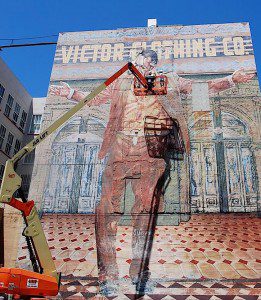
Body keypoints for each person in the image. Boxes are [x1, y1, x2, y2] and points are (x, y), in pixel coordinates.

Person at [49, 51, 254, 295]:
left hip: (151, 150)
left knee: (145, 213)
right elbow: (94, 99)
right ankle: (108, 276)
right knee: (105, 211)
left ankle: (138, 274)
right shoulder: (121, 82)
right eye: (136, 61)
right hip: (119, 148)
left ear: (154, 64)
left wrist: (232, 79)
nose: (139, 65)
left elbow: (201, 89)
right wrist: (69, 93)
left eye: (145, 61)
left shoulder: (169, 80)